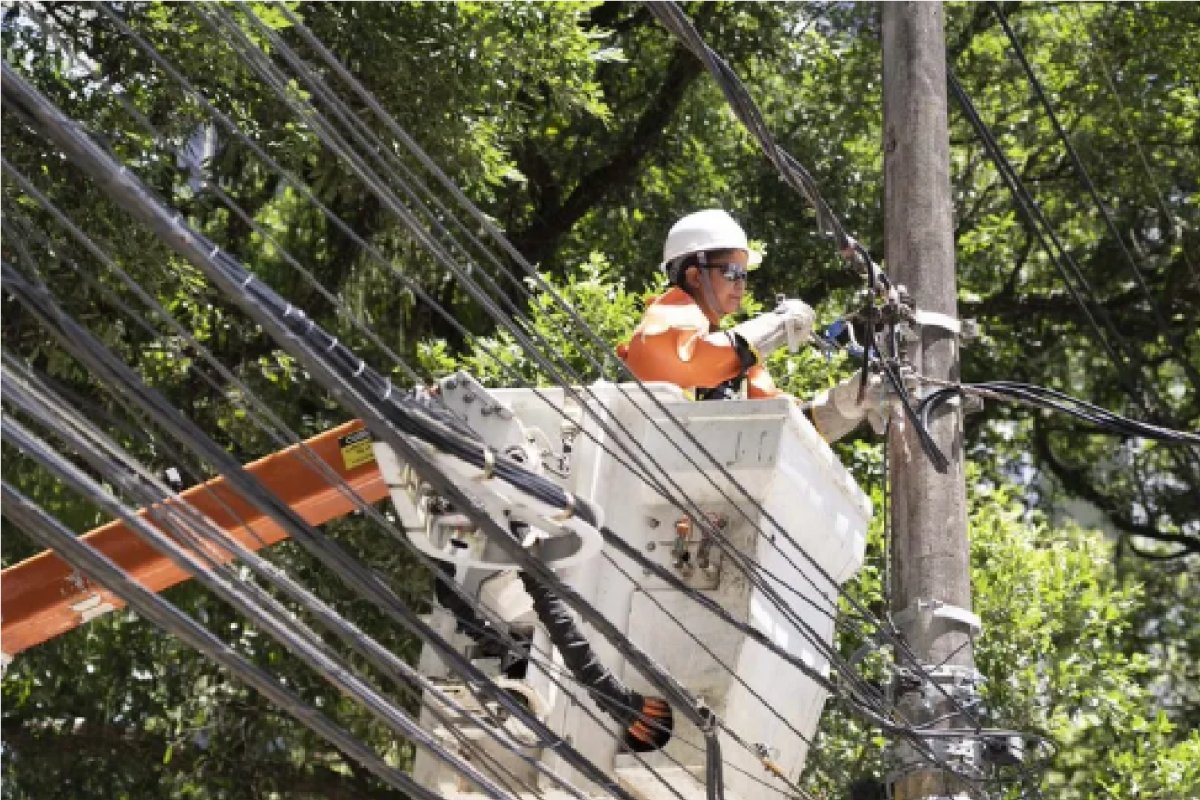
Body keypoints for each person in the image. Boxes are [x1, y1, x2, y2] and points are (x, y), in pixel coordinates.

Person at [617, 209, 900, 442]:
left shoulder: (739, 358)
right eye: (731, 272)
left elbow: (782, 427)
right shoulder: (662, 323)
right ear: (693, 276)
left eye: (745, 275)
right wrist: (777, 326)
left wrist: (846, 404)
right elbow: (691, 362)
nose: (741, 284)